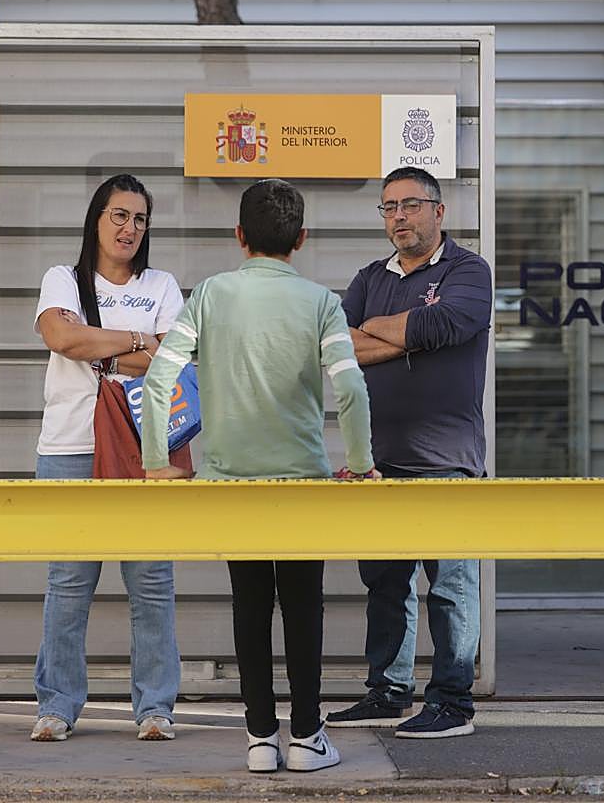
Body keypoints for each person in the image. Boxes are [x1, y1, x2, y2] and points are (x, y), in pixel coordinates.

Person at [140, 178, 379, 773]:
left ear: (239, 235)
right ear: (301, 238)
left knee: (248, 604)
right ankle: (306, 737)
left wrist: (154, 463)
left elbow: (158, 380)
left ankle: (258, 739)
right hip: (300, 482)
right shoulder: (321, 302)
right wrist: (363, 462)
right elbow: (349, 386)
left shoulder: (211, 296)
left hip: (228, 483)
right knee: (303, 606)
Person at [326, 166, 492, 739]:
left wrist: (381, 331)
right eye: (389, 207)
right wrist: (404, 333)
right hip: (379, 460)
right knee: (385, 583)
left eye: (411, 205)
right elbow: (337, 345)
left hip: (447, 459)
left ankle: (452, 701)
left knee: (451, 586)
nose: (399, 216)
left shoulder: (469, 271)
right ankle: (389, 691)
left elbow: (448, 321)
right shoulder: (370, 276)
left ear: (438, 211)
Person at [29, 173, 183, 743]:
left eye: (140, 219)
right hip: (69, 445)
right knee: (69, 580)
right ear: (97, 219)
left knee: (151, 581)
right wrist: (140, 340)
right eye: (119, 215)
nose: (129, 228)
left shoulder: (163, 284)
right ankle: (57, 705)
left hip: (147, 449)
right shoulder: (62, 279)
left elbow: (173, 364)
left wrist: (103, 338)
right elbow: (63, 342)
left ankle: (155, 708)